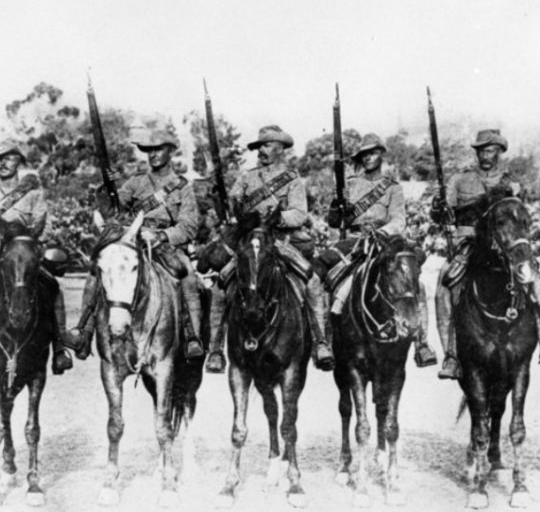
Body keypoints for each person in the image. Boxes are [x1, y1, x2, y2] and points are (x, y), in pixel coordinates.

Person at [204, 125, 332, 372]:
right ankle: (216, 349)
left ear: (280, 149)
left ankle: (321, 342)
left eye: (267, 145)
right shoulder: (246, 177)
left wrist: (276, 218)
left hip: (280, 241)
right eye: (260, 146)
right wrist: (223, 196)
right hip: (250, 240)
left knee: (313, 281)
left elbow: (299, 213)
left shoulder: (293, 179)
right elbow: (234, 205)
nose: (261, 151)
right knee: (221, 284)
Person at [71, 129, 205, 360]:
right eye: (149, 150)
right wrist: (108, 188)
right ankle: (83, 330)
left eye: (158, 149)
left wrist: (162, 236)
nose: (153, 155)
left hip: (165, 244)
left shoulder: (183, 187)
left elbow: (189, 226)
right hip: (132, 240)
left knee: (188, 275)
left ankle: (191, 336)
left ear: (171, 151)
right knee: (97, 271)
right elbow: (113, 209)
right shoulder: (136, 182)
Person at [320, 133, 438, 367]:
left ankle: (421, 342)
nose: (368, 158)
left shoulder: (392, 187)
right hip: (355, 240)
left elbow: (398, 219)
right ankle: (325, 339)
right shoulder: (350, 185)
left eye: (372, 153)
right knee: (329, 278)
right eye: (364, 155)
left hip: (386, 241)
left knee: (415, 284)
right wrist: (337, 207)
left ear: (381, 155)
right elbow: (334, 221)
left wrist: (382, 233)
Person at [0, 142, 76, 374]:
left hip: (24, 248)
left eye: (9, 158)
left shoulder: (33, 193)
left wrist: (29, 237)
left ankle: (59, 346)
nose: (2, 164)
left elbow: (47, 226)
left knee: (52, 284)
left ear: (18, 162)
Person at [430, 129, 522, 380]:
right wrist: (439, 210)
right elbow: (443, 213)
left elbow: (517, 217)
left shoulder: (510, 184)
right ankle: (451, 354)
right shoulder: (460, 181)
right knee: (445, 281)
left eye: (490, 149)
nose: (485, 154)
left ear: (500, 152)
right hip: (468, 243)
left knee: (531, 277)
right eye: (481, 150)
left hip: (502, 247)